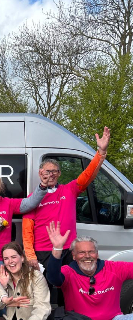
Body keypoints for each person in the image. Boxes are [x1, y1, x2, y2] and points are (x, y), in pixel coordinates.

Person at [22, 126, 110, 301]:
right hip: (43, 251)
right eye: (47, 171)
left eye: (54, 171)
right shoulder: (33, 198)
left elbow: (88, 175)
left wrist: (101, 152)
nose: (51, 175)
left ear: (59, 174)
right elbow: (27, 230)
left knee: (70, 289)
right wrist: (30, 255)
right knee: (43, 293)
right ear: (40, 173)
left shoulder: (69, 190)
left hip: (69, 250)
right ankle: (45, 319)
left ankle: (71, 317)